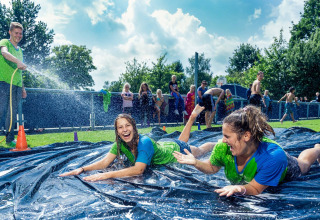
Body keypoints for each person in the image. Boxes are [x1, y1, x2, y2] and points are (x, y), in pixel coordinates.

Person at [173, 105, 320, 197]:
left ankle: (317, 149)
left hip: (285, 169)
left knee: (304, 164)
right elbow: (212, 167)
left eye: (227, 136)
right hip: (259, 156)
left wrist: (239, 189)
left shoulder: (273, 157)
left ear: (246, 135)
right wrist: (196, 163)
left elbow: (255, 189)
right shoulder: (223, 147)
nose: (223, 140)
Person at [59, 110, 215, 181]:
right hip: (160, 146)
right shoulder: (120, 143)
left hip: (175, 149)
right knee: (184, 141)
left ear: (134, 127)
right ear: (117, 131)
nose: (124, 130)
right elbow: (105, 162)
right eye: (120, 127)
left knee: (200, 150)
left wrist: (105, 175)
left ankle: (217, 142)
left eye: (127, 126)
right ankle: (191, 119)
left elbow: (139, 170)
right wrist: (83, 169)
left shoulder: (144, 142)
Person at [0, 22, 27, 147]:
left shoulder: (20, 50)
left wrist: (22, 87)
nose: (18, 35)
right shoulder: (5, 42)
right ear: (10, 32)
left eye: (20, 33)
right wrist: (17, 61)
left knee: (12, 113)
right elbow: (4, 53)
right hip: (4, 83)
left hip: (16, 85)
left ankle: (9, 139)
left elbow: (20, 71)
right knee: (1, 110)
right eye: (16, 33)